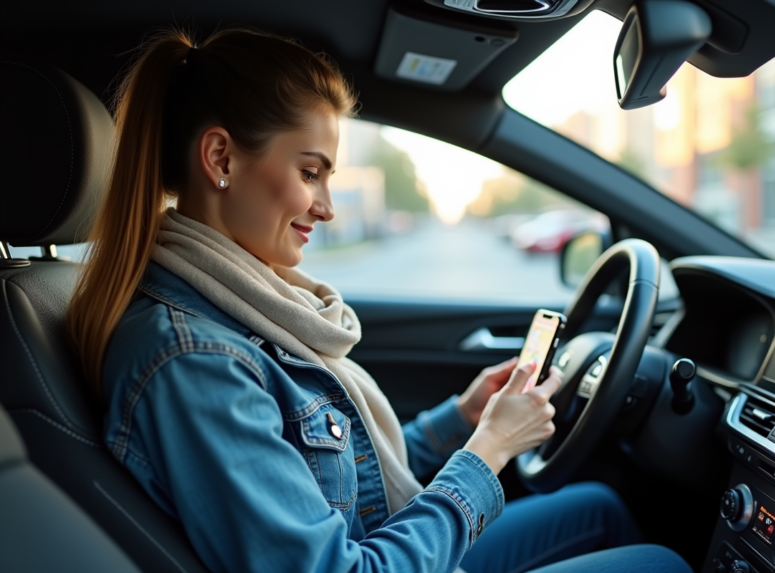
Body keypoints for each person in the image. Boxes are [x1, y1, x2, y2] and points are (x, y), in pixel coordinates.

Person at [67, 28, 693, 573]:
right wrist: (491, 450)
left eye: (329, 176)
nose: (328, 206)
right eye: (310, 172)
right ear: (221, 157)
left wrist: (465, 419)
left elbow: (347, 480)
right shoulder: (193, 361)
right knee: (660, 563)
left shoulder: (250, 307)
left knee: (601, 509)